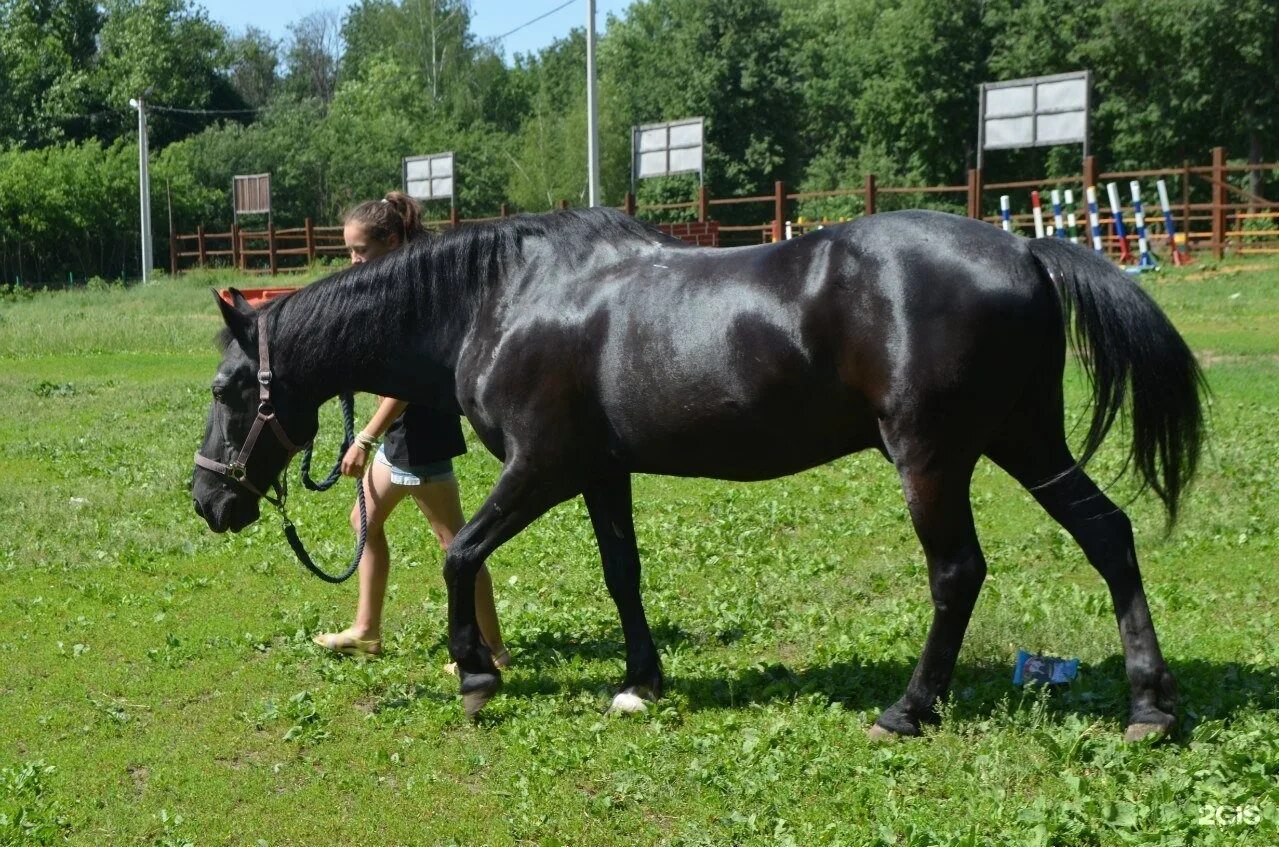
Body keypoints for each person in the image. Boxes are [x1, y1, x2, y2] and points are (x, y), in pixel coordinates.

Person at [311, 191, 510, 673]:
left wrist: (364, 437)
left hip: (418, 430)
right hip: (406, 432)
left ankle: (495, 651)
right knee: (365, 524)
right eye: (349, 251)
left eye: (361, 251)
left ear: (394, 240)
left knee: (457, 544)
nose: (354, 260)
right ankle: (366, 630)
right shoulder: (402, 278)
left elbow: (405, 382)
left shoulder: (413, 289)